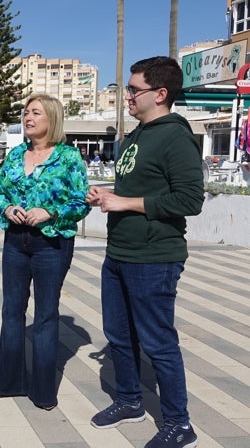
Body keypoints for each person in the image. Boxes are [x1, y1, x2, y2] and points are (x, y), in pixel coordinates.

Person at [86, 56, 203, 448]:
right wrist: (107, 196)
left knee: (157, 342)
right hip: (119, 252)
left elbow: (190, 199)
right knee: (118, 335)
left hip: (154, 258)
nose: (128, 97)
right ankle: (129, 400)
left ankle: (179, 423)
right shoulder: (135, 135)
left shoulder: (175, 136)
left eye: (134, 90)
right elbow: (136, 190)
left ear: (161, 93)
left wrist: (126, 203)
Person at [0, 93, 90, 410]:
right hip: (16, 241)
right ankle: (8, 383)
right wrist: (7, 209)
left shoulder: (69, 158)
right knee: (11, 311)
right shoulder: (16, 155)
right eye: (26, 112)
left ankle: (43, 392)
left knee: (45, 316)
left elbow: (81, 201)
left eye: (35, 113)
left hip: (51, 245)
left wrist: (51, 212)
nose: (27, 117)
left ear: (52, 119)